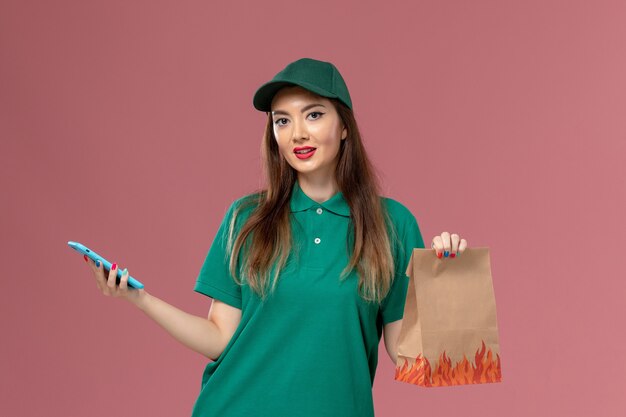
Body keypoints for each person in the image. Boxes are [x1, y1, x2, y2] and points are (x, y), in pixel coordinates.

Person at [84, 57, 468, 417]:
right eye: (282, 121)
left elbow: (409, 357)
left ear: (344, 125)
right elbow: (220, 338)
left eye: (314, 115)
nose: (297, 133)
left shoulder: (392, 224)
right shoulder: (246, 219)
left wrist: (444, 280)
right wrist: (139, 298)